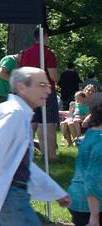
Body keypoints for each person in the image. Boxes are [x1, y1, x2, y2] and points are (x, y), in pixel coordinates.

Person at [0, 67, 70, 225]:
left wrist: (55, 191)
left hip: (3, 195)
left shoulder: (14, 112)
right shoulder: (14, 114)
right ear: (22, 87)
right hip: (10, 197)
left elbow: (20, 163)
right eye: (42, 85)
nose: (48, 90)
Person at [19, 28, 60, 161]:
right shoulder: (48, 53)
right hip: (45, 91)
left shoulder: (25, 53)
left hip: (29, 92)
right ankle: (51, 155)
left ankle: (26, 154)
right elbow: (53, 76)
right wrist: (58, 77)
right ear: (45, 36)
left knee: (31, 123)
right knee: (49, 123)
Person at [66, 93, 101, 226]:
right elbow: (92, 179)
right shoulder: (100, 141)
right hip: (90, 205)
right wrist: (94, 216)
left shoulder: (90, 134)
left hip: (77, 198)